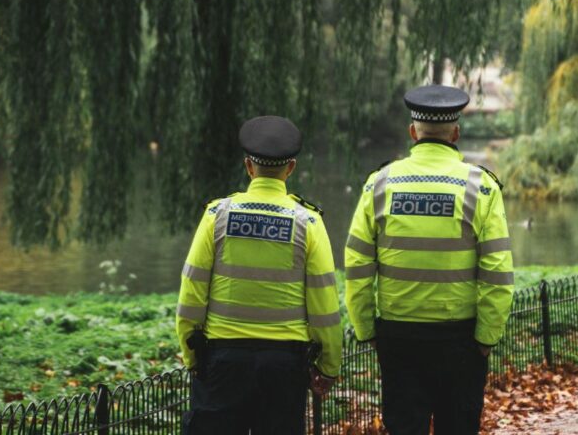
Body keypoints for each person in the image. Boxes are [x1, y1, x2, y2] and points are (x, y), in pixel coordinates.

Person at [344, 85, 514, 435]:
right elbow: (497, 272)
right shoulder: (480, 187)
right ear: (456, 132)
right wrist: (486, 337)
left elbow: (358, 266)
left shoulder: (379, 185)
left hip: (399, 337)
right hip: (461, 340)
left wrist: (367, 330)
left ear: (412, 132)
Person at [176, 115, 342, 435]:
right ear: (290, 168)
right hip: (284, 365)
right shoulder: (308, 223)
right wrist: (329, 366)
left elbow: (192, 291)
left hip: (222, 359)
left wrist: (191, 355)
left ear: (248, 167)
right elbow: (324, 304)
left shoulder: (217, 215)